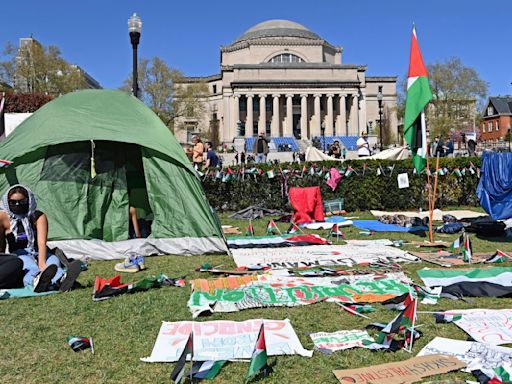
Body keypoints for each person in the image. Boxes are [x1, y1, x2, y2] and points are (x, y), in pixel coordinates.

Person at [0, 185, 82, 292]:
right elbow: (1, 244)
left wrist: (42, 263)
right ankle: (36, 281)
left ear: (29, 200)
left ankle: (62, 279)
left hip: (40, 251)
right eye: (13, 202)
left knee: (53, 264)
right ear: (7, 202)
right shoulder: (3, 218)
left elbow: (42, 242)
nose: (17, 205)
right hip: (20, 254)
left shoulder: (38, 216)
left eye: (22, 201)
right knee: (30, 267)